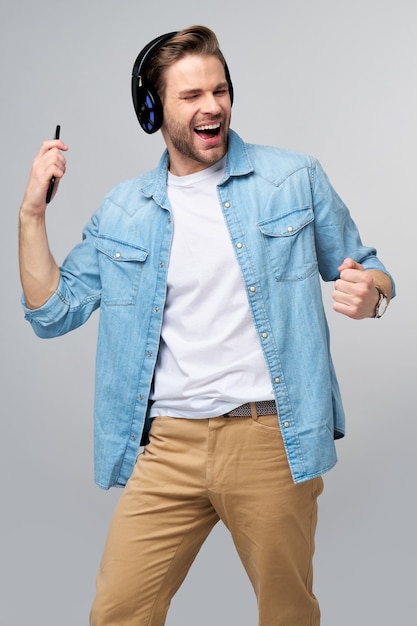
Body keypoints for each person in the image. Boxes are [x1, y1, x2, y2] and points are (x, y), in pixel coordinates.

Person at [19, 25, 395, 626]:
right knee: (117, 612)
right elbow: (51, 312)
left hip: (270, 438)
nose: (212, 106)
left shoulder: (292, 179)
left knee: (287, 615)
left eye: (219, 90)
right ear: (155, 111)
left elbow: (371, 271)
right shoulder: (123, 212)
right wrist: (32, 213)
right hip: (169, 447)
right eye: (191, 96)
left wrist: (370, 296)